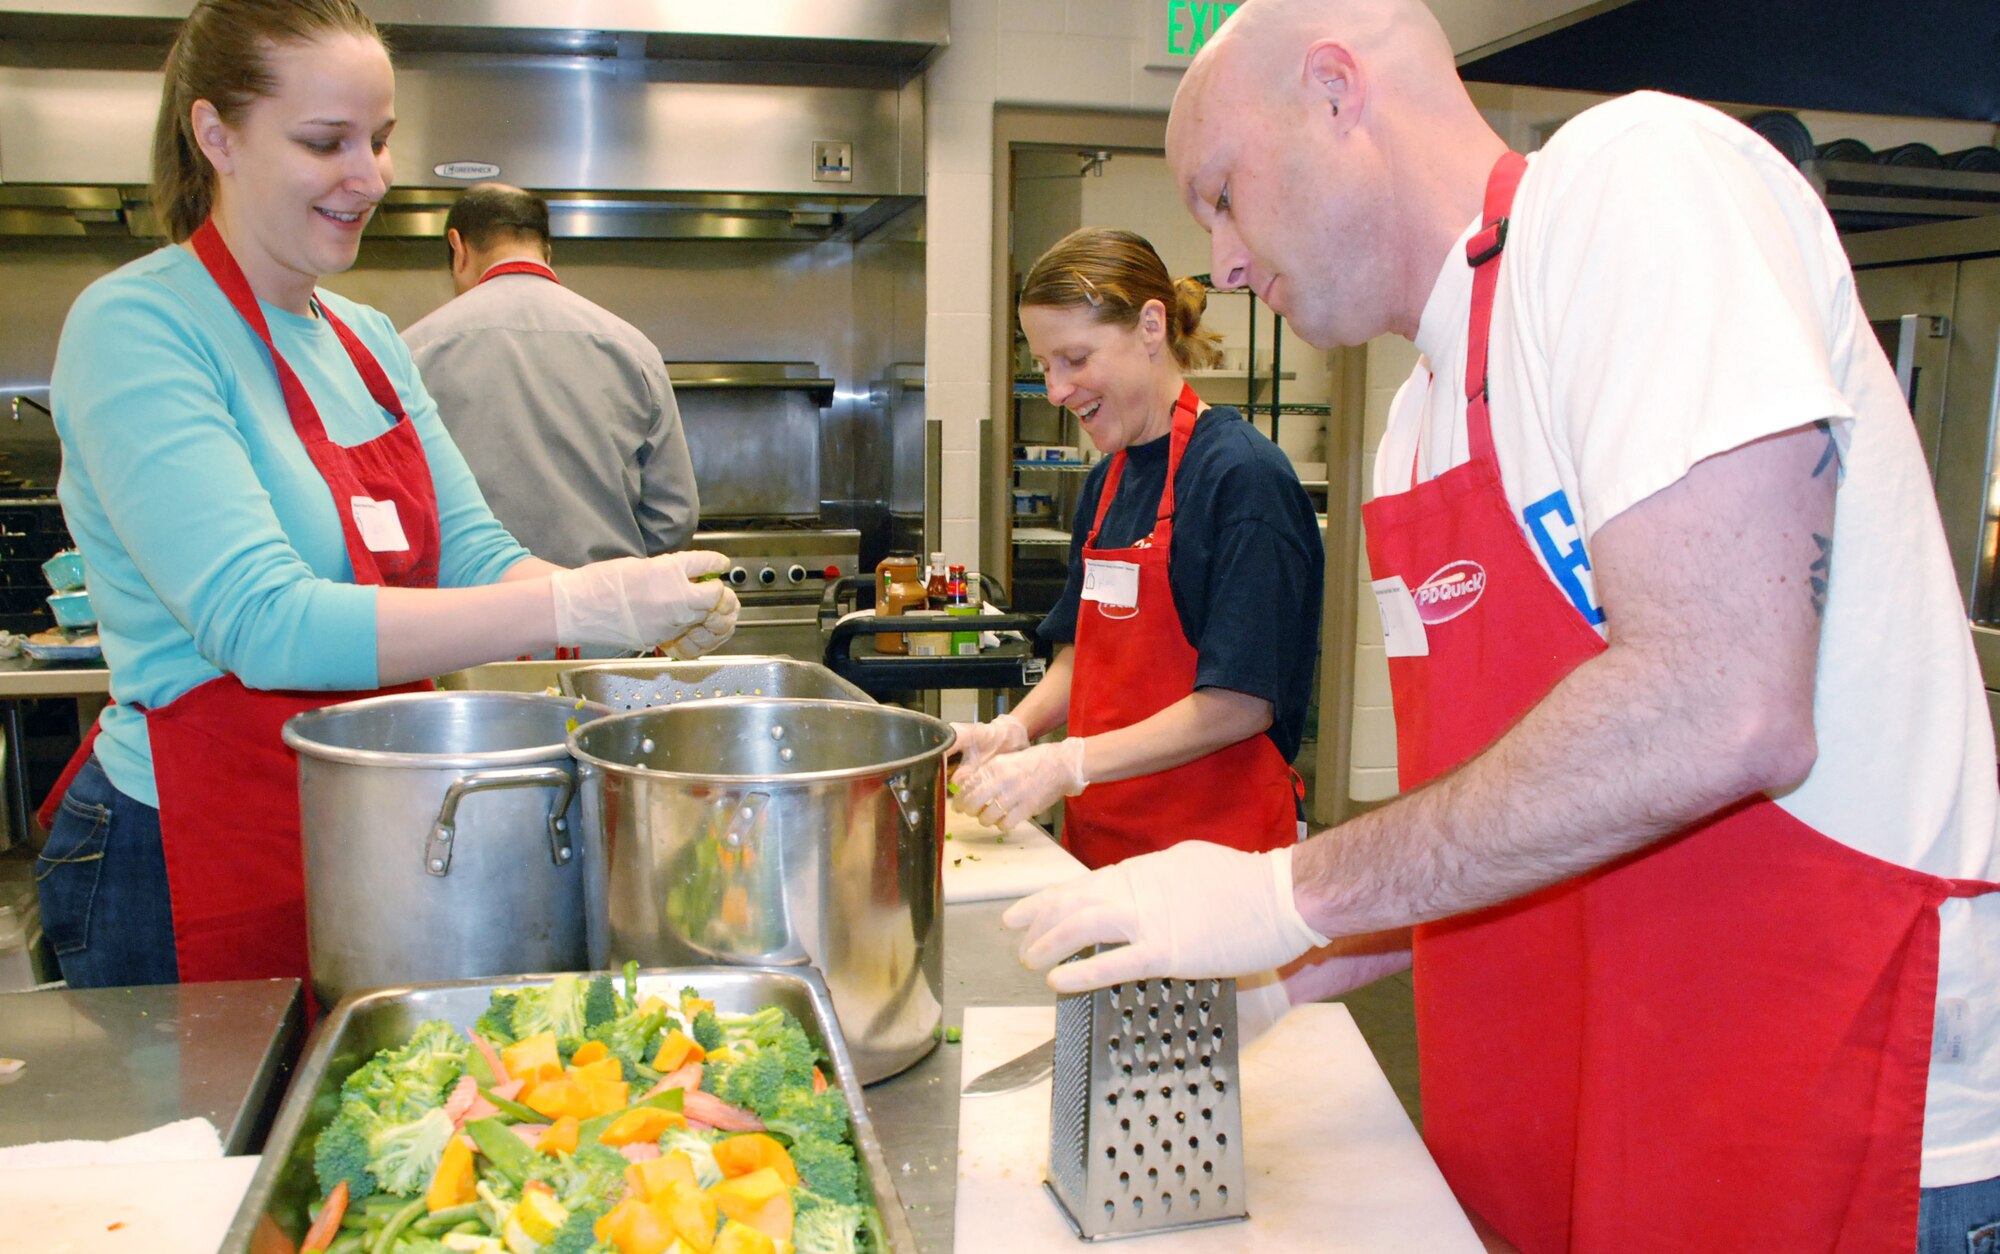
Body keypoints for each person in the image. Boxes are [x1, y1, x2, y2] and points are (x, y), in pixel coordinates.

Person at [1002, 2, 2000, 1251]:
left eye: (1224, 196)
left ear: (1334, 91)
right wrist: (1274, 974)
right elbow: (1489, 816)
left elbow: (1724, 702)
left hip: (1831, 1086)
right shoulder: (1412, 429)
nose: (1226, 263)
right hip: (1597, 1090)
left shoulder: (1633, 185)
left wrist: (1285, 892)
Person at [32, 0, 737, 993]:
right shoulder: (140, 327)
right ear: (216, 135)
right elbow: (261, 623)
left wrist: (632, 609)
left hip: (374, 829)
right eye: (326, 142)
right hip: (186, 848)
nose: (369, 177)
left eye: (379, 138)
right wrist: (577, 605)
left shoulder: (364, 339)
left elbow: (474, 556)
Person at [949, 227, 1323, 869]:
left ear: (1152, 326)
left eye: (1074, 359)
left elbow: (1241, 704)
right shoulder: (1107, 481)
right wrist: (1012, 731)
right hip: (1102, 843)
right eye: (1044, 365)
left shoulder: (1244, 480)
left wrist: (1066, 763)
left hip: (1213, 858)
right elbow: (1084, 653)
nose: (1056, 390)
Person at [402, 183, 700, 569]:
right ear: (547, 250)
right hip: (601, 602)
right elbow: (674, 516)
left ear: (458, 247)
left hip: (468, 600)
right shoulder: (632, 348)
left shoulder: (410, 351)